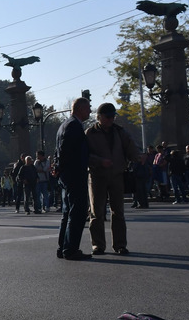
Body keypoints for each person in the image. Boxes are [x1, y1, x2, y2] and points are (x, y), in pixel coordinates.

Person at [85, 103, 140, 255]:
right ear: (100, 117)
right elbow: (84, 155)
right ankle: (98, 245)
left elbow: (131, 147)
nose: (111, 119)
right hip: (97, 176)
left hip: (116, 175)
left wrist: (138, 157)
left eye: (113, 116)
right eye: (108, 117)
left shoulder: (120, 132)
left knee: (118, 212)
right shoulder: (89, 133)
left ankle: (120, 245)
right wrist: (99, 161)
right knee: (96, 212)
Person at [55, 97, 93, 260]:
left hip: (67, 174)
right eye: (88, 108)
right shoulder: (74, 126)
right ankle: (70, 249)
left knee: (67, 212)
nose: (90, 111)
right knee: (77, 212)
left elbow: (60, 151)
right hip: (74, 174)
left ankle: (63, 247)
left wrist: (59, 169)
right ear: (81, 109)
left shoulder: (64, 125)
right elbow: (66, 151)